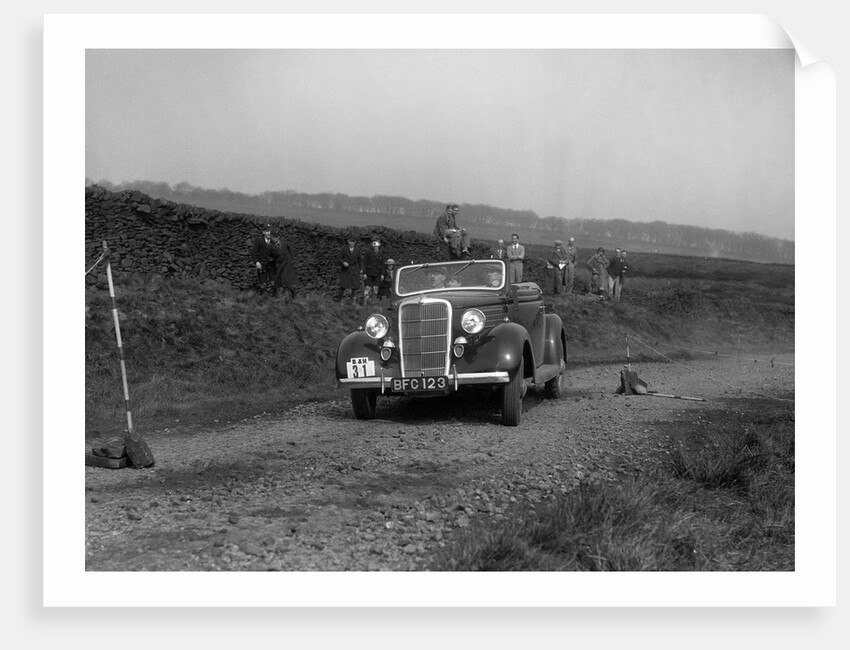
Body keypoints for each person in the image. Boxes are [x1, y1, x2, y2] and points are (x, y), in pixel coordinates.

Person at [271, 231, 299, 301]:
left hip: (287, 264)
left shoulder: (284, 242)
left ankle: (292, 293)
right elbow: (270, 256)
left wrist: (291, 258)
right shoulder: (271, 245)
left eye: (275, 237)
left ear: (277, 237)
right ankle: (285, 299)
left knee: (287, 282)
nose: (274, 239)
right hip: (279, 265)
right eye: (273, 237)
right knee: (282, 282)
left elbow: (290, 249)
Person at [335, 234, 363, 304]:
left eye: (353, 242)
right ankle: (339, 301)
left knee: (354, 286)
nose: (352, 243)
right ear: (348, 241)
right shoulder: (344, 249)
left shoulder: (357, 249)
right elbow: (338, 257)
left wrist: (361, 269)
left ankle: (353, 302)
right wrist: (343, 262)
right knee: (343, 286)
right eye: (350, 241)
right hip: (345, 269)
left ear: (355, 242)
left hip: (354, 269)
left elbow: (360, 260)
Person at [251, 224, 277, 296]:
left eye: (270, 231)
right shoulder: (259, 240)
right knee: (263, 284)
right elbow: (254, 252)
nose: (269, 233)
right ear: (263, 232)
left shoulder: (274, 241)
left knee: (273, 283)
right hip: (262, 265)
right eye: (267, 231)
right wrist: (256, 262)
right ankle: (262, 299)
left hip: (272, 265)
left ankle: (274, 299)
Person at [362, 236, 386, 305]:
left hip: (378, 273)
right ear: (372, 244)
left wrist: (382, 274)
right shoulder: (368, 252)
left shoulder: (381, 252)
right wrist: (364, 273)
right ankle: (365, 303)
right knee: (367, 288)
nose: (375, 245)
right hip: (369, 273)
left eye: (377, 243)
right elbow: (364, 263)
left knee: (376, 289)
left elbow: (382, 264)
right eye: (374, 244)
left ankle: (373, 303)